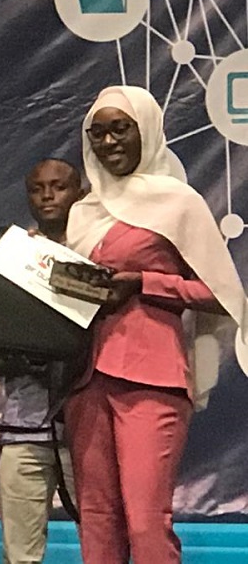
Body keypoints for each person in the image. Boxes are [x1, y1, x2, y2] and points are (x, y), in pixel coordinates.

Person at [63, 85, 246, 563]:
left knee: (146, 522)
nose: (108, 142)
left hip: (152, 377)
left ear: (146, 129)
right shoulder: (83, 210)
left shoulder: (178, 203)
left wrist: (145, 283)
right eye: (97, 132)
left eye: (120, 129)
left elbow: (223, 296)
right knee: (97, 518)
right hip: (85, 381)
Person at [0, 159, 81, 564]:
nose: (48, 196)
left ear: (80, 192)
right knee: (19, 557)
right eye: (37, 189)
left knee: (105, 546)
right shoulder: (14, 259)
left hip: (88, 429)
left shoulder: (101, 250)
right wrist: (27, 360)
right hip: (24, 428)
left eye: (59, 187)